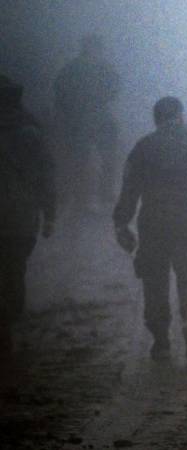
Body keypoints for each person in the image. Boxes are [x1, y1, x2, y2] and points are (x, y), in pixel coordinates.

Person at [113, 97, 187, 362]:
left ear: (156, 119)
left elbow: (129, 188)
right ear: (181, 115)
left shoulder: (144, 147)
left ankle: (161, 341)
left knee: (154, 278)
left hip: (153, 220)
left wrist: (121, 223)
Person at [0, 75, 56, 355]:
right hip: (19, 217)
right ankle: (7, 320)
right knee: (14, 270)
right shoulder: (31, 133)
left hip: (16, 214)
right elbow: (47, 176)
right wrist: (50, 214)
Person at [54, 33, 120, 210]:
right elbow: (115, 87)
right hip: (85, 116)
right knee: (93, 155)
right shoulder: (98, 67)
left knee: (85, 155)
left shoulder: (72, 68)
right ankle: (95, 193)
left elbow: (59, 92)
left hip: (86, 116)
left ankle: (80, 193)